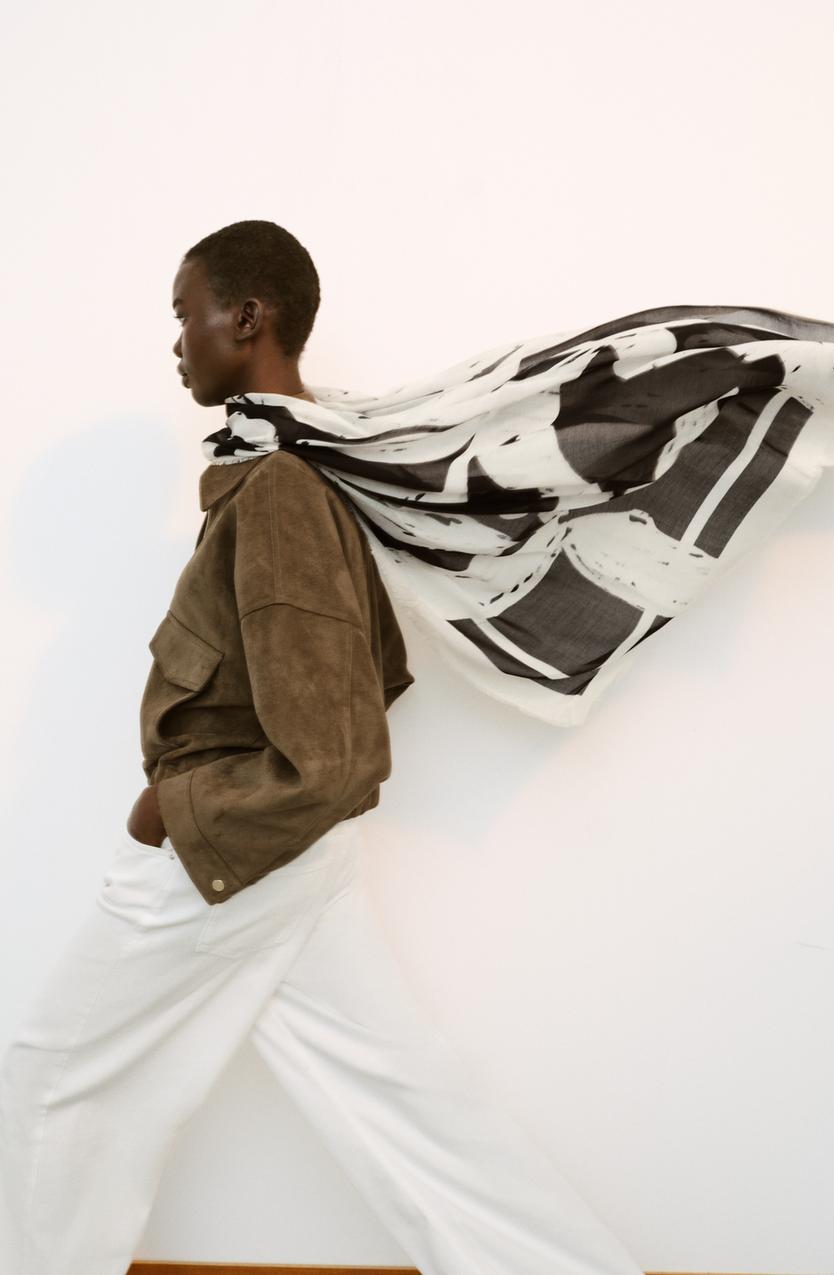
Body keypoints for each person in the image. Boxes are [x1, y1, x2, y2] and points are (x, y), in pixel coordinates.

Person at [0, 220, 647, 1275]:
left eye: (185, 314)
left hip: (229, 860)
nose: (176, 342)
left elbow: (337, 749)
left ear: (247, 318)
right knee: (407, 1113)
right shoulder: (284, 475)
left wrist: (181, 816)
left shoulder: (281, 492)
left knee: (53, 1082)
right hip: (282, 860)